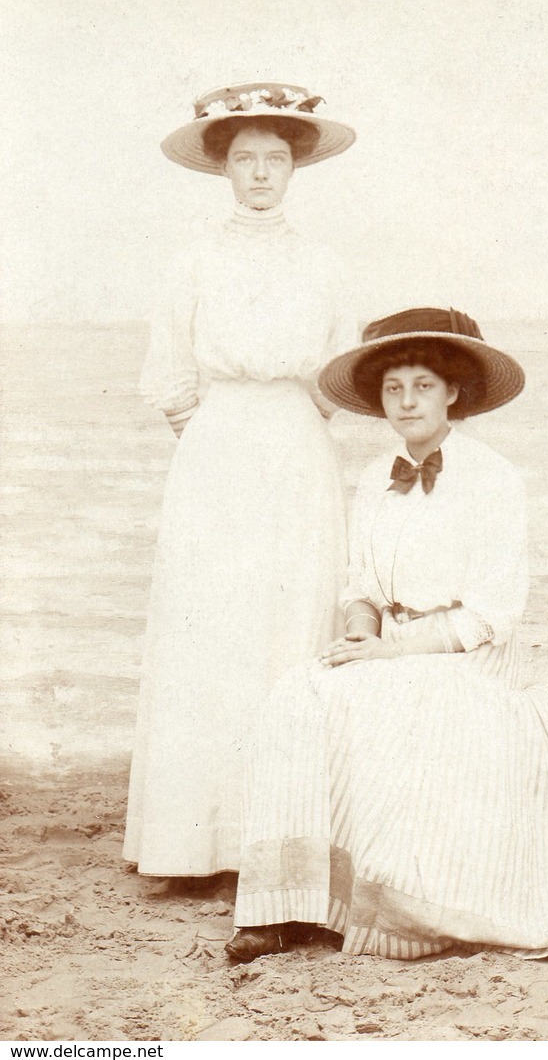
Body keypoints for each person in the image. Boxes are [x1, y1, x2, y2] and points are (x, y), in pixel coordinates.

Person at [225, 307, 548, 962]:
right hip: (389, 648)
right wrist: (359, 638)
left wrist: (394, 650)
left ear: (452, 393)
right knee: (298, 692)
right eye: (393, 387)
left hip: (469, 657)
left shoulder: (490, 477)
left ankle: (400, 910)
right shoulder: (375, 477)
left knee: (407, 701)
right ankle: (286, 908)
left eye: (421, 385)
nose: (406, 400)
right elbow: (360, 585)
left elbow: (492, 611)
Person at [123, 82, 358, 877]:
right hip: (217, 449)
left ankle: (281, 837)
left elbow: (338, 374)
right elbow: (171, 376)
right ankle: (193, 842)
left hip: (295, 445)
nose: (261, 173)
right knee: (211, 624)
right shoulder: (192, 259)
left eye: (277, 158)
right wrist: (218, 441)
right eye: (246, 158)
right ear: (223, 168)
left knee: (289, 622)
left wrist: (288, 424)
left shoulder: (324, 262)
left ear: (295, 169)